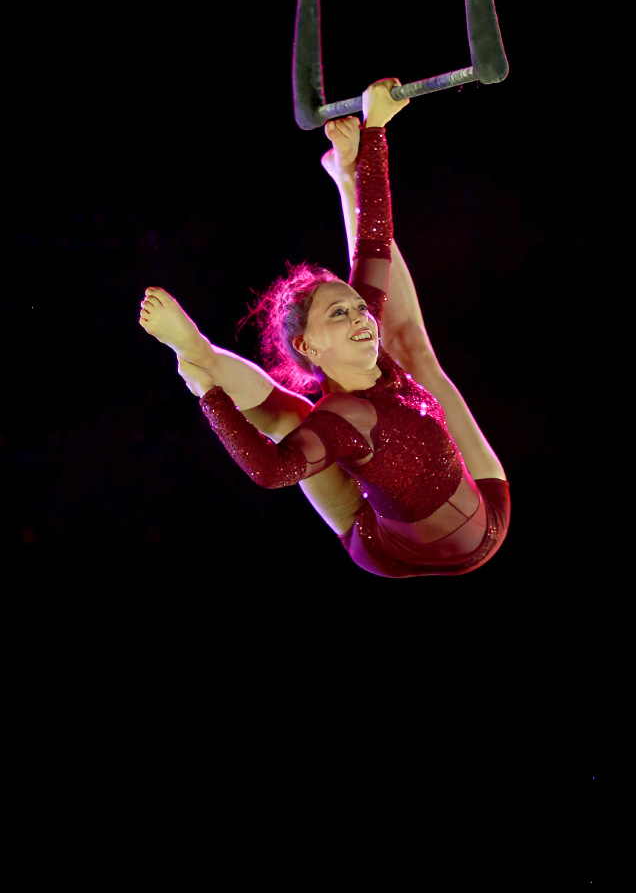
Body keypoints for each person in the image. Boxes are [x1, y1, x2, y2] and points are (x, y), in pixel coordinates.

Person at [139, 79, 510, 577]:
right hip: (395, 547)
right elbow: (272, 471)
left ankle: (342, 177)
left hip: (473, 515)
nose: (362, 315)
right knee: (292, 418)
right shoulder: (337, 418)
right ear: (307, 345)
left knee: (409, 349)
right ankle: (198, 351)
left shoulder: (363, 338)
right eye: (340, 313)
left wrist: (372, 141)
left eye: (358, 307)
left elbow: (374, 242)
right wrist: (208, 393)